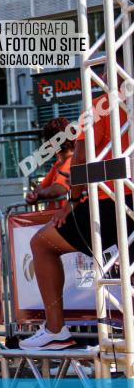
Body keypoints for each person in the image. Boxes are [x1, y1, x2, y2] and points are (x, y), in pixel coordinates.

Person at [21, 90, 133, 350]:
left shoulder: (99, 106)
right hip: (118, 196)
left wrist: (72, 203)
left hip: (112, 198)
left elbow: (80, 161)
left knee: (42, 244)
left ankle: (55, 329)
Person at [25, 117, 73, 209]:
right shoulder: (59, 163)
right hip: (58, 218)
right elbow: (40, 188)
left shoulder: (71, 161)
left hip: (66, 219)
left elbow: (57, 190)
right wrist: (34, 194)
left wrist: (38, 195)